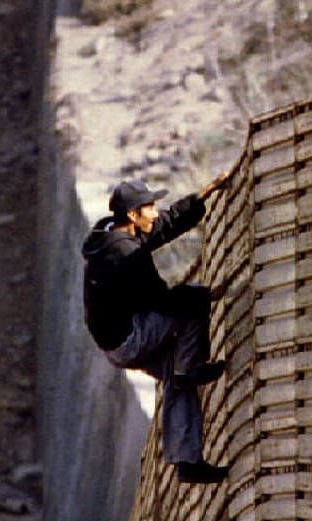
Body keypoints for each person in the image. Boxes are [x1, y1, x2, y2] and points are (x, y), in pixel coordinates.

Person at [83, 174, 230, 484]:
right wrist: (208, 295)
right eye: (149, 207)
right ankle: (189, 369)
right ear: (133, 216)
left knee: (177, 375)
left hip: (115, 343)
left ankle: (187, 461)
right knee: (191, 303)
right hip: (129, 339)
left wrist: (204, 193)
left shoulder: (111, 234)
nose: (154, 213)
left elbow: (164, 226)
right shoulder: (125, 254)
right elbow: (162, 301)